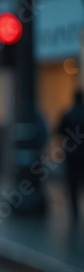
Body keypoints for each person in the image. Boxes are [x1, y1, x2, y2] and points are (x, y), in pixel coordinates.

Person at [58, 90, 84, 221]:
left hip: (72, 154)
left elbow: (59, 131)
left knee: (73, 183)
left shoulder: (68, 114)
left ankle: (74, 211)